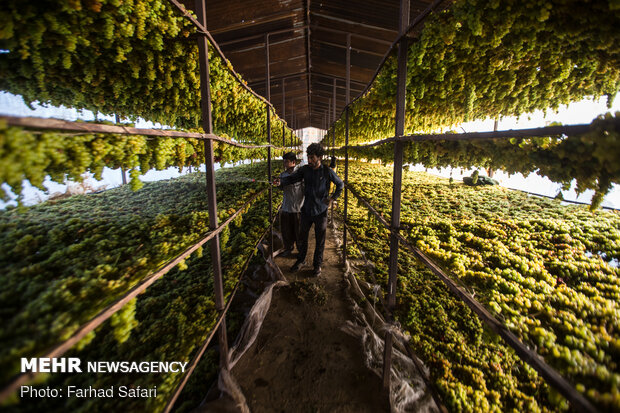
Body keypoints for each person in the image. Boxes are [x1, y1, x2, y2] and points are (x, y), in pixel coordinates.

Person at [274, 143, 344, 276]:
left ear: (320, 157)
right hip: (306, 210)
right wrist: (281, 182)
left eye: (312, 158)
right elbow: (292, 178)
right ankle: (301, 261)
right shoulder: (305, 170)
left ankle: (317, 265)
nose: (309, 160)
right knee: (302, 238)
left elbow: (340, 184)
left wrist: (333, 198)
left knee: (320, 240)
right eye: (308, 157)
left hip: (321, 212)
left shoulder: (326, 171)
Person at [279, 152, 304, 257]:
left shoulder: (299, 175)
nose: (284, 163)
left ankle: (301, 251)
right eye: (284, 161)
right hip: (286, 207)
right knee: (286, 231)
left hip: (298, 209)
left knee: (298, 232)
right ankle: (288, 249)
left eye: (287, 161)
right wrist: (278, 184)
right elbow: (280, 187)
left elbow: (305, 190)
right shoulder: (283, 175)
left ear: (293, 162)